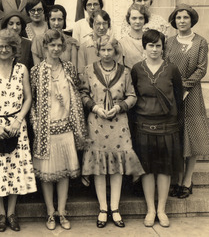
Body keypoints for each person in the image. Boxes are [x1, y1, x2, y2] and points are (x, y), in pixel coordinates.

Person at [80, 35, 144, 229]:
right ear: (97, 51)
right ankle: (102, 208)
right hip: (96, 122)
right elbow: (82, 93)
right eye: (103, 50)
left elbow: (132, 95)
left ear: (116, 51)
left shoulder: (125, 72)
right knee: (99, 166)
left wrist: (119, 107)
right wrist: (95, 108)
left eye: (110, 50)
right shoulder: (88, 70)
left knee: (117, 165)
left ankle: (115, 208)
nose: (106, 53)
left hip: (119, 123)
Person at [30, 29, 87, 231]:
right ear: (45, 47)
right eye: (51, 45)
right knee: (47, 173)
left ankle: (62, 211)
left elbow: (76, 95)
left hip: (66, 127)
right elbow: (33, 100)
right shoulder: (36, 71)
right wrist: (37, 125)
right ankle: (50, 212)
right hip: (46, 128)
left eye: (59, 46)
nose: (55, 49)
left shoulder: (69, 68)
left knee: (62, 173)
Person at [0, 29, 37, 232]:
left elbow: (28, 98)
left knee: (15, 170)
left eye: (7, 46)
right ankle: (0, 214)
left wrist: (18, 121)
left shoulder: (21, 69)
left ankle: (12, 212)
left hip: (17, 126)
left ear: (14, 48)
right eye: (0, 46)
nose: (3, 50)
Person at [131, 30, 184, 228]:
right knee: (146, 170)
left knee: (164, 170)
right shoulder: (136, 69)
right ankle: (150, 209)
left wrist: (177, 126)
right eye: (151, 45)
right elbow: (133, 97)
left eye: (158, 45)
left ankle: (161, 209)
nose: (154, 49)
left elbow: (178, 99)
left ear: (163, 47)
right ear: (144, 47)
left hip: (167, 127)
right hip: (143, 126)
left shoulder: (172, 69)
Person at [166, 4, 209, 199]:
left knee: (192, 134)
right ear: (174, 21)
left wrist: (185, 87)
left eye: (185, 17)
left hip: (192, 93)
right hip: (172, 93)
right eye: (178, 18)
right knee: (177, 134)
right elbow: (165, 65)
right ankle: (177, 178)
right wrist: (172, 89)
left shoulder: (200, 42)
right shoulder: (169, 42)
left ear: (191, 20)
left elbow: (201, 68)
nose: (181, 21)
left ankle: (187, 180)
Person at [78, 9, 122, 77]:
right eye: (98, 23)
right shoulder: (84, 47)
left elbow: (119, 70)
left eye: (104, 23)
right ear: (92, 24)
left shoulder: (115, 44)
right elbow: (81, 73)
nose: (101, 27)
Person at [119, 4, 150, 68]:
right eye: (134, 18)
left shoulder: (150, 39)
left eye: (141, 18)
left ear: (145, 20)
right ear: (128, 20)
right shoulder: (122, 43)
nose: (137, 21)